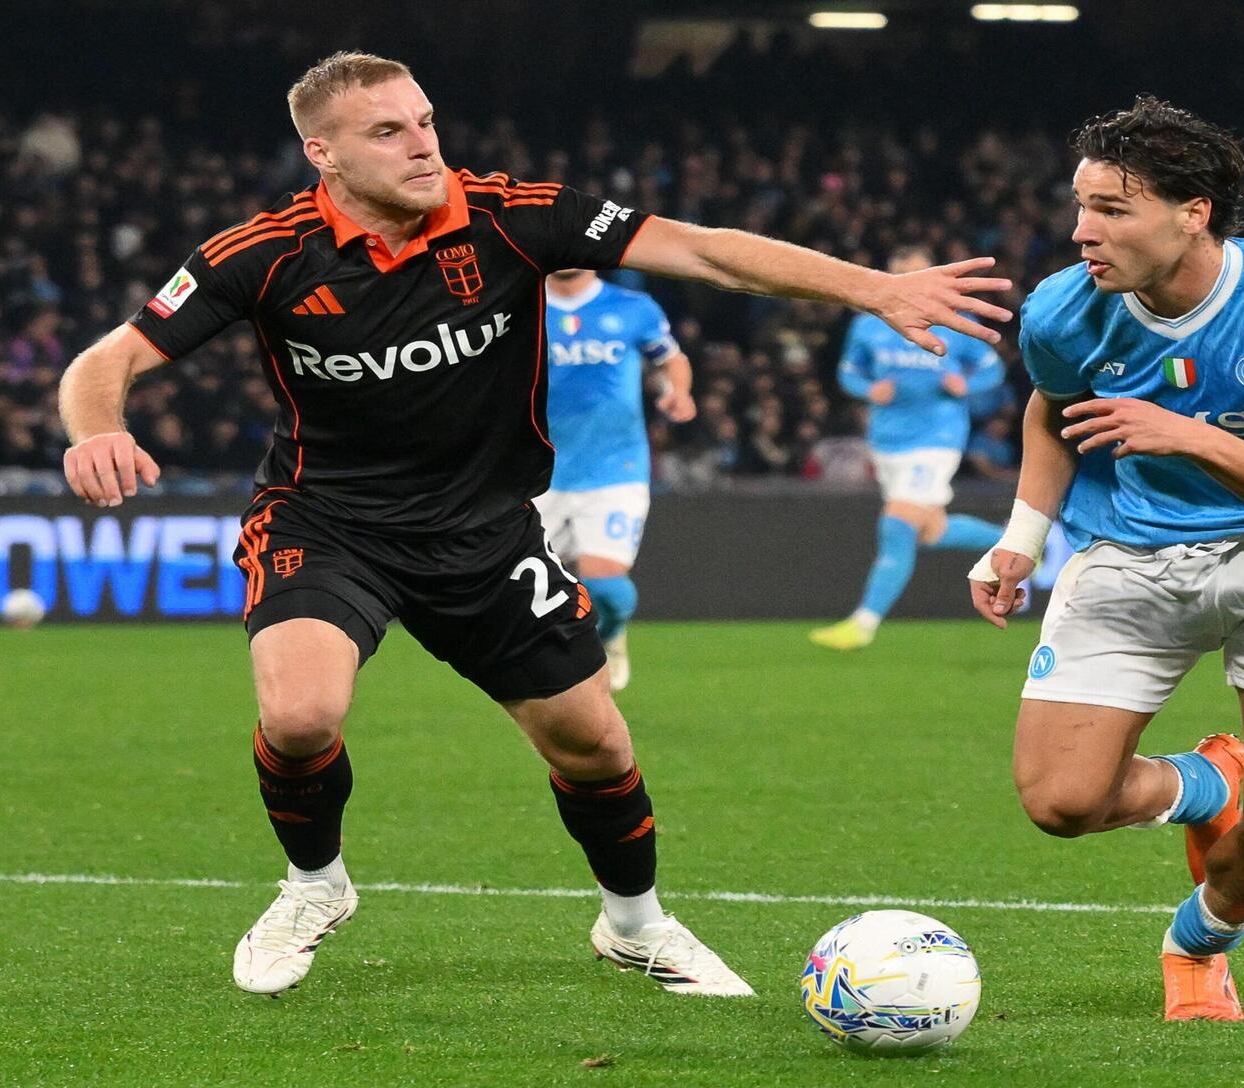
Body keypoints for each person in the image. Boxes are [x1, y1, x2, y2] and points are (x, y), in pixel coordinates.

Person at [57, 51, 1009, 998]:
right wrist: (98, 429)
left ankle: (634, 925)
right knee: (302, 714)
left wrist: (874, 288)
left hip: (486, 530)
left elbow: (706, 248)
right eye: (388, 132)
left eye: (425, 120)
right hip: (329, 519)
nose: (423, 145)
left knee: (592, 742)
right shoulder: (259, 253)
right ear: (324, 153)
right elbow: (108, 359)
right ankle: (315, 887)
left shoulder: (515, 216)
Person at [967, 96, 1244, 1022]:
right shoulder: (1064, 313)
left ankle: (1198, 946)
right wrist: (1019, 541)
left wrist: (1184, 435)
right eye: (1080, 206)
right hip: (1134, 557)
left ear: (1192, 212)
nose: (1083, 232)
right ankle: (1209, 783)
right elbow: (1051, 408)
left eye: (1113, 209)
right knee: (1061, 803)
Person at [810, 245, 1010, 650]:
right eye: (905, 275)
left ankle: (863, 623)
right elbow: (848, 372)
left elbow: (992, 368)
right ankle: (1013, 542)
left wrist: (966, 386)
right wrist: (869, 389)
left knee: (897, 524)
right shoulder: (869, 325)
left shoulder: (954, 323)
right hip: (887, 440)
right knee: (930, 531)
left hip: (937, 437)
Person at [533, 267, 694, 691]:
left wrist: (678, 390)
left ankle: (610, 636)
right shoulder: (518, 304)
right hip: (534, 472)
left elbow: (671, 358)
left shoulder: (632, 308)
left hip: (614, 469)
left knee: (606, 588)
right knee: (523, 593)